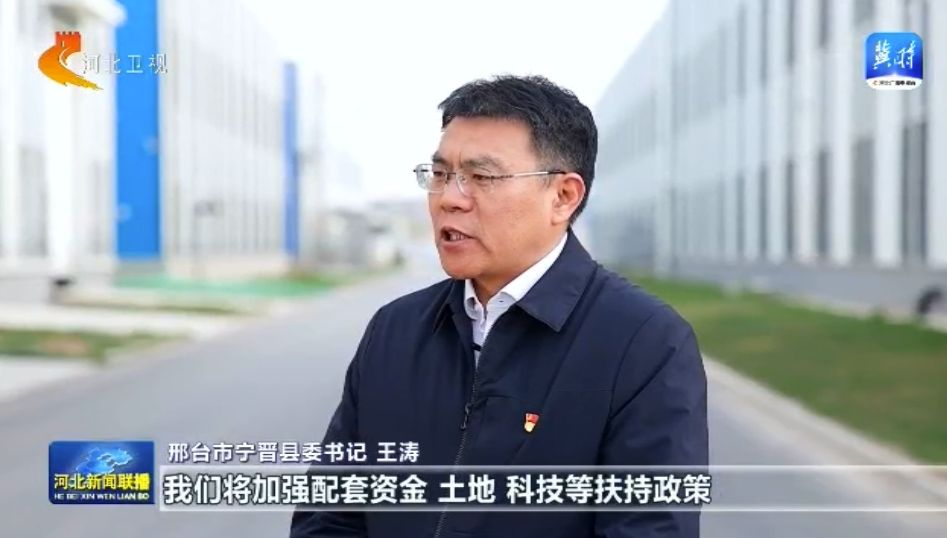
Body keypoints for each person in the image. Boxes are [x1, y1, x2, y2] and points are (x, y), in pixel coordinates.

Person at [290, 74, 708, 538]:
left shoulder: (645, 342)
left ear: (563, 197)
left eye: (482, 177)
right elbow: (329, 514)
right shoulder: (396, 329)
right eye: (440, 175)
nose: (449, 199)